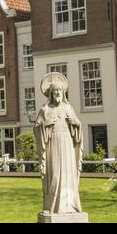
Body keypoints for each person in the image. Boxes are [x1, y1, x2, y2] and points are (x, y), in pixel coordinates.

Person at [34, 73, 83, 214]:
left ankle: (69, 205)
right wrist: (45, 124)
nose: (57, 93)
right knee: (55, 174)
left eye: (59, 90)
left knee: (69, 175)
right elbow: (36, 129)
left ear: (63, 92)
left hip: (67, 144)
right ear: (50, 93)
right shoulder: (45, 110)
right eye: (55, 90)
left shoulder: (69, 108)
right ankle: (53, 206)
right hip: (53, 145)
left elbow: (78, 126)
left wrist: (76, 124)